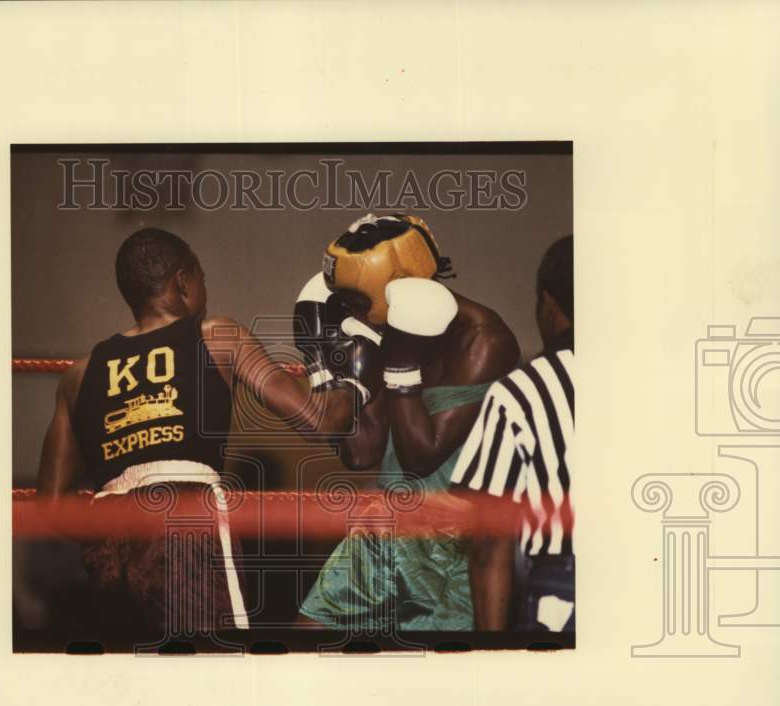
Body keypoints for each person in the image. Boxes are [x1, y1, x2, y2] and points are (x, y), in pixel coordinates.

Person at [36, 227, 380, 637]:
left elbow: (51, 505)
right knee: (213, 670)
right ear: (184, 280)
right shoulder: (218, 336)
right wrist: (355, 364)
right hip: (185, 518)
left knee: (130, 680)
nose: (206, 290)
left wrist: (121, 520)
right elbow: (319, 422)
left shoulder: (79, 373)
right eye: (202, 280)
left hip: (106, 539)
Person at [297, 214, 521, 632]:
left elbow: (420, 454)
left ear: (403, 286)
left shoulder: (484, 340)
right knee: (307, 636)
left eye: (359, 301)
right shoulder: (377, 327)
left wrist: (400, 364)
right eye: (345, 301)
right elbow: (361, 453)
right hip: (383, 523)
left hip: (449, 542)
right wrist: (328, 365)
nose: (351, 313)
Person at [450, 235, 574, 632]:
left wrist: (492, 658)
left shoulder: (523, 391)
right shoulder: (667, 383)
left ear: (548, 305)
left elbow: (489, 542)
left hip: (563, 592)